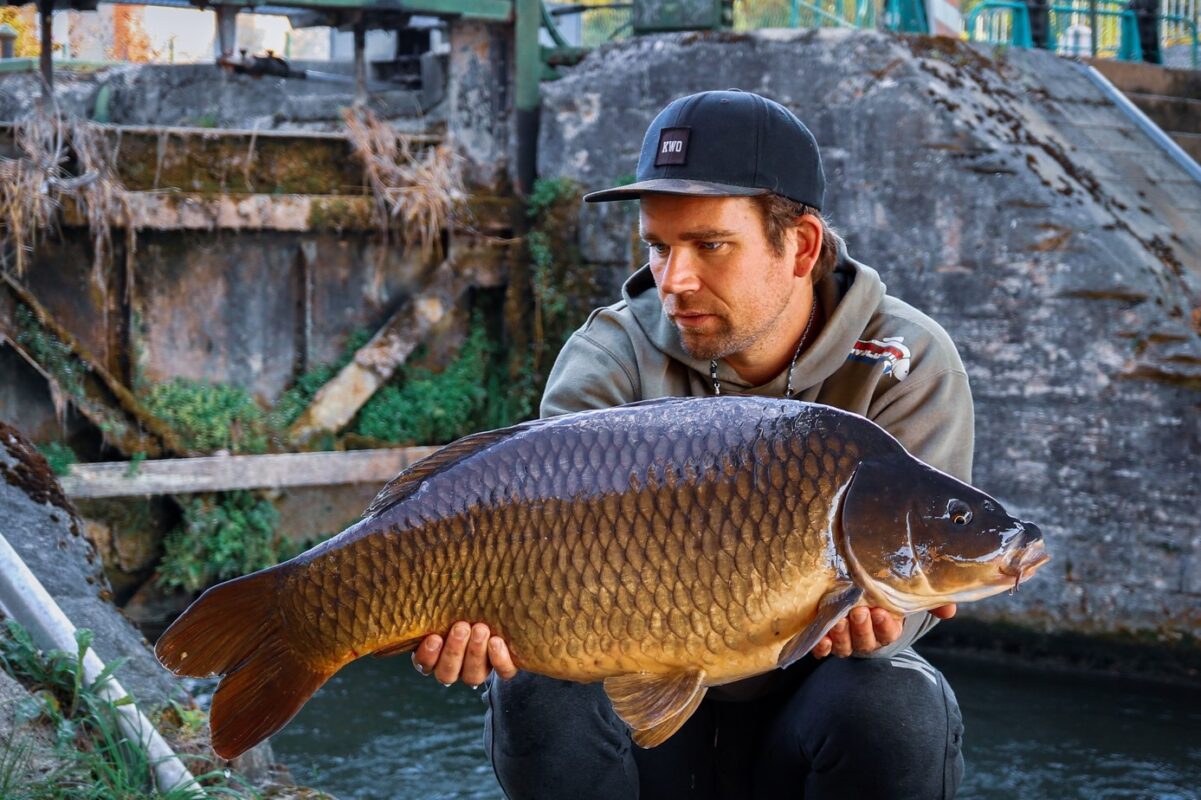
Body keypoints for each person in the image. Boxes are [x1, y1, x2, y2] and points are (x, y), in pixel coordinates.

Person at [412, 89, 971, 799]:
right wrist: (480, 619)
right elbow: (530, 548)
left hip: (811, 705)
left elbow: (912, 583)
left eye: (708, 245)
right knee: (534, 688)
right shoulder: (608, 355)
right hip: (636, 700)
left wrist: (886, 619)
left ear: (798, 246)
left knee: (897, 701)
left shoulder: (906, 360)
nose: (673, 280)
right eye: (657, 246)